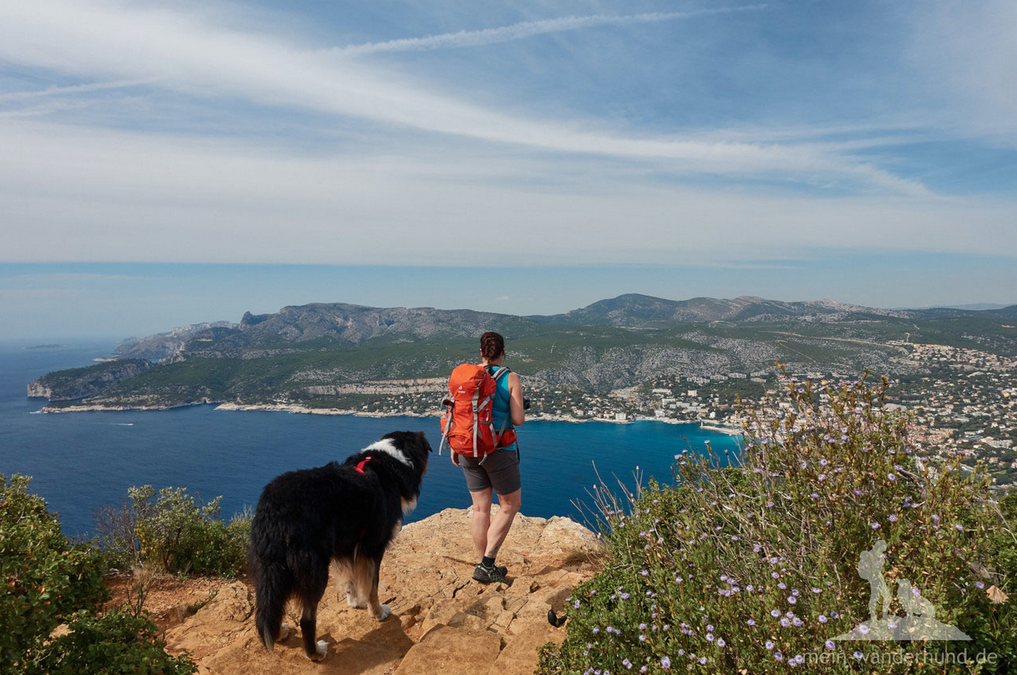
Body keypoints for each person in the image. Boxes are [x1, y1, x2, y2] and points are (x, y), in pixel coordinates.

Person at [453, 331, 525, 584]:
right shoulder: (510, 377)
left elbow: (459, 414)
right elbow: (517, 420)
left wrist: (456, 446)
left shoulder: (465, 376)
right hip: (497, 451)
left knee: (480, 509)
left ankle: (481, 564)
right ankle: (486, 564)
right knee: (509, 506)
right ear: (503, 352)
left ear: (481, 353)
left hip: (466, 449)